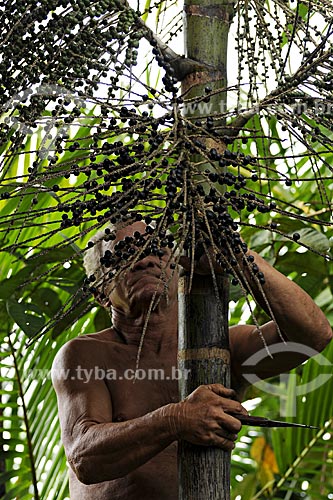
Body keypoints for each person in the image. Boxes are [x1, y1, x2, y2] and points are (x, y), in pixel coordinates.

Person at [52, 220, 332, 500]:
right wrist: (175, 419)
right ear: (100, 291)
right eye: (124, 255)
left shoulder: (222, 347)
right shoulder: (85, 355)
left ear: (179, 269)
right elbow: (85, 458)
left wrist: (235, 254)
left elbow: (312, 335)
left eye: (157, 251)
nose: (144, 262)